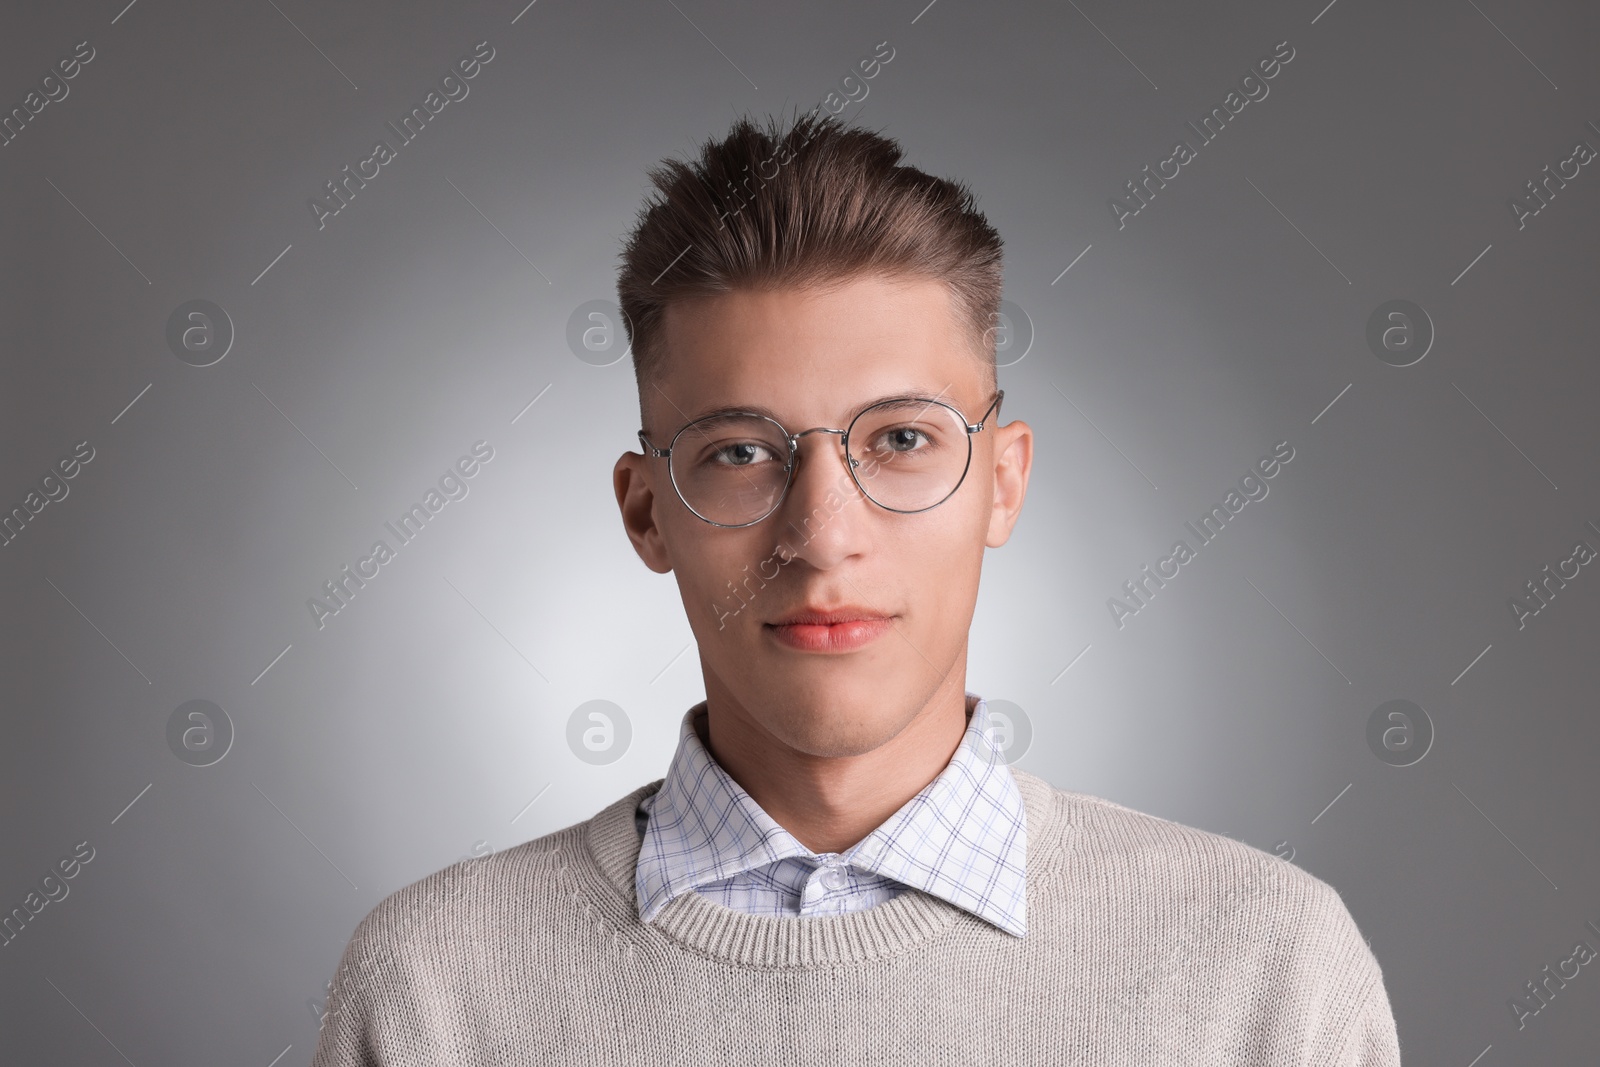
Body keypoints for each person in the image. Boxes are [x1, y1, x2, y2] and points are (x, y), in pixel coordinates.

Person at [310, 111, 1402, 1065]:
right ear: (647, 510)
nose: (823, 537)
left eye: (901, 439)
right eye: (739, 452)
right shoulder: (433, 988)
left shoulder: (1269, 969)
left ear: (1001, 482)